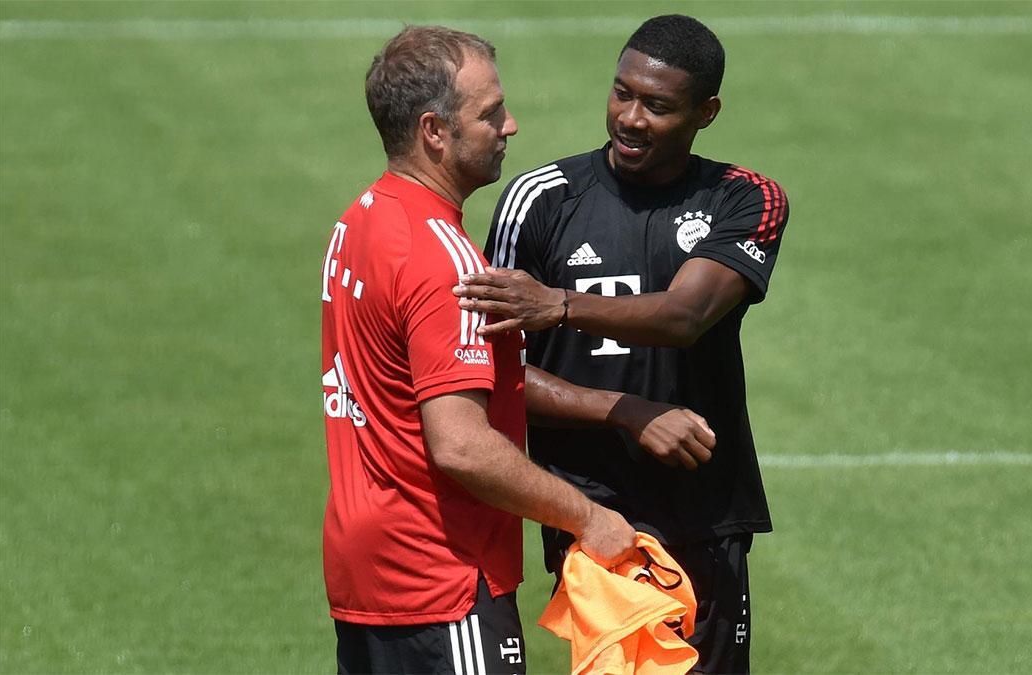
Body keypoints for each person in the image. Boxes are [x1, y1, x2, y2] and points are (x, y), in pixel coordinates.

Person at [320, 25, 712, 674]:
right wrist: (589, 516)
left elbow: (441, 380)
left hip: (366, 575)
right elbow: (461, 443)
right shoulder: (443, 260)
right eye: (490, 112)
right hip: (442, 582)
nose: (511, 126)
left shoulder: (358, 222)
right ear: (434, 131)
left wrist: (616, 406)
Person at [455, 15, 790, 673]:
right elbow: (498, 374)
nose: (630, 117)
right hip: (597, 518)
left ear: (706, 112)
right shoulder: (541, 201)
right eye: (622, 93)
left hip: (709, 510)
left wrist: (562, 306)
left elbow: (685, 315)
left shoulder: (744, 200)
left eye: (658, 106)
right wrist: (624, 410)